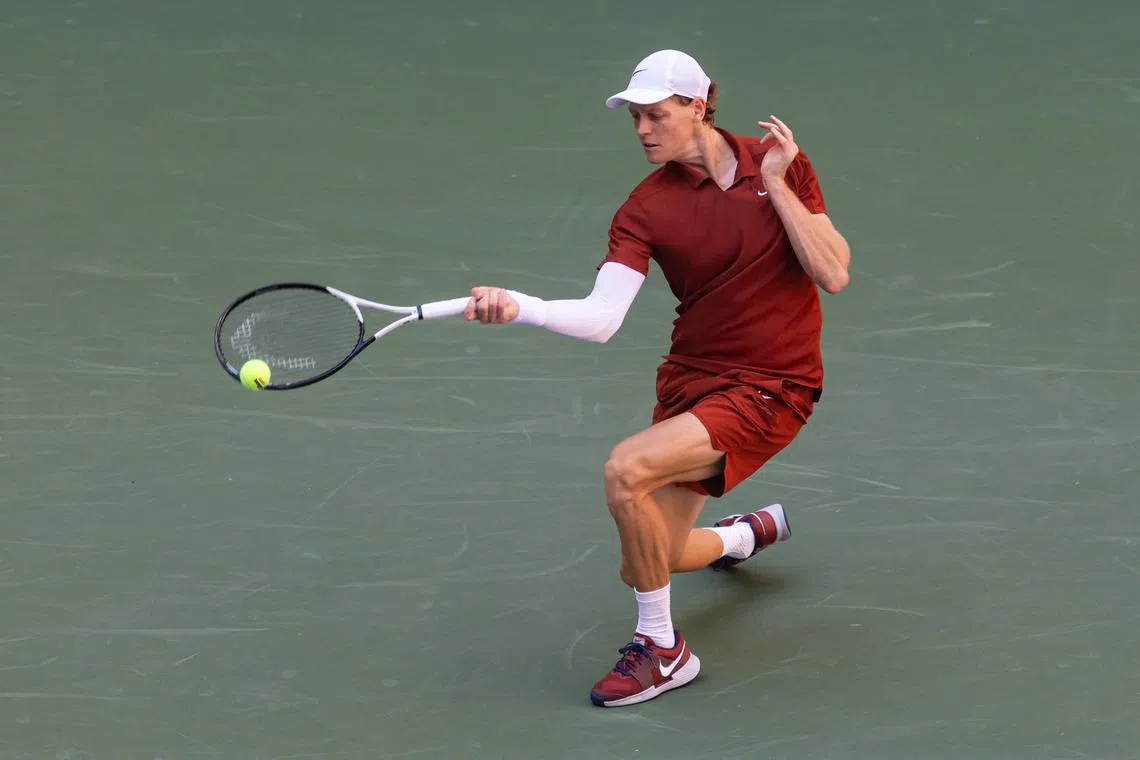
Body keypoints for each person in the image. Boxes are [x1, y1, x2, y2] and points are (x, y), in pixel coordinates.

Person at [463, 49, 850, 707]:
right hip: (692, 384)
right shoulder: (646, 208)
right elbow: (602, 316)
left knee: (624, 472)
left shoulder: (779, 164)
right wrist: (520, 307)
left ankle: (664, 651)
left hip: (772, 384)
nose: (642, 129)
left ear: (698, 107)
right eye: (635, 117)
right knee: (649, 556)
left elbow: (833, 273)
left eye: (655, 115)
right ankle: (741, 536)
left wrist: (780, 185)